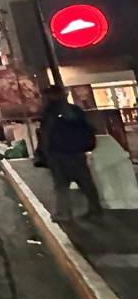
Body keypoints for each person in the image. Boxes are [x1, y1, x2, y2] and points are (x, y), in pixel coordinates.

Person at [37, 85, 104, 222]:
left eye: (49, 94)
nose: (47, 97)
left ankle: (65, 213)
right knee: (85, 182)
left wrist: (44, 152)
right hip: (76, 152)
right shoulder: (75, 110)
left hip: (59, 153)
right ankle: (95, 209)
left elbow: (47, 134)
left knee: (62, 184)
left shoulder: (51, 111)